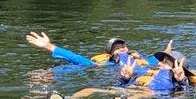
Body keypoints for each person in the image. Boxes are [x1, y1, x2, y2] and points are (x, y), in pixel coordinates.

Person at [25, 31, 161, 67]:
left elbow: (158, 59)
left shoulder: (142, 61)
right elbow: (78, 59)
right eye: (117, 48)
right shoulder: (104, 65)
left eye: (124, 46)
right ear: (109, 54)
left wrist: (167, 53)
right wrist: (49, 46)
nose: (122, 49)